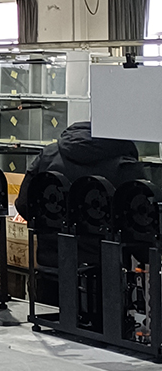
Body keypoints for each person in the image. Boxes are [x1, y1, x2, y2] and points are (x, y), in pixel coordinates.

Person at [14, 120, 144, 305]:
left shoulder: (48, 155)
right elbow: (141, 224)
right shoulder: (126, 165)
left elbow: (24, 205)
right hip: (104, 276)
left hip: (51, 268)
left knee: (48, 318)